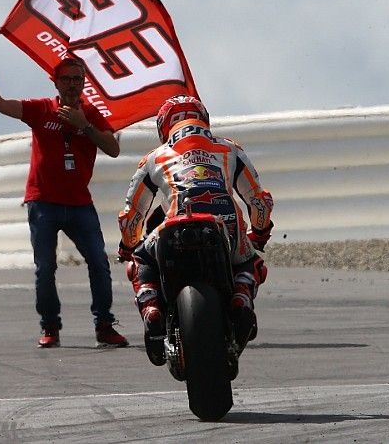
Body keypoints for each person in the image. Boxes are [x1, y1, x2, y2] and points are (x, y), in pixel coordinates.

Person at [0, 55, 128, 349]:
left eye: (77, 79)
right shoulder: (41, 109)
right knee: (45, 268)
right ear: (55, 83)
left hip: (80, 203)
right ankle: (50, 326)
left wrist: (85, 127)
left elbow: (114, 149)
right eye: (66, 79)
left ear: (84, 83)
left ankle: (104, 325)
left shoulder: (90, 114)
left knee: (98, 262)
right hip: (44, 202)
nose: (71, 84)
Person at [117, 95, 273, 364]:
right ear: (204, 120)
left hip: (174, 225)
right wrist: (260, 232)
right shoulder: (229, 148)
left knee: (140, 260)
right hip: (225, 223)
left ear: (163, 127)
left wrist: (128, 246)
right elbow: (259, 200)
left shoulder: (154, 158)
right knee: (251, 261)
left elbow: (131, 216)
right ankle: (241, 297)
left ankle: (151, 307)